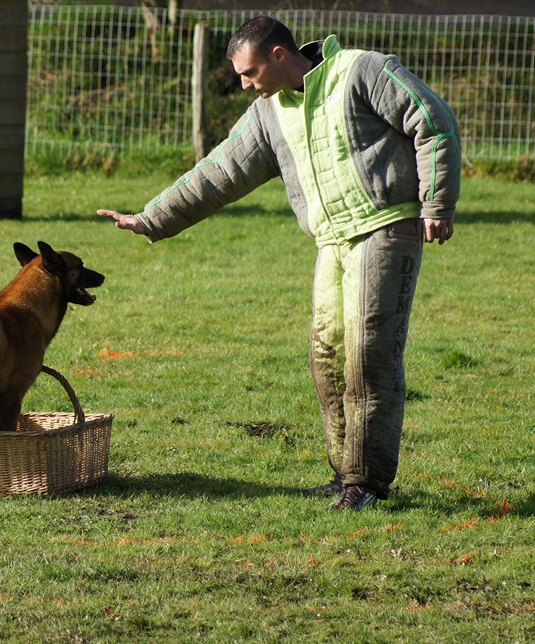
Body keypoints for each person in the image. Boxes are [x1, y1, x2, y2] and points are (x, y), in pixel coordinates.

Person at [98, 16, 460, 510]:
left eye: (248, 73)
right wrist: (151, 219)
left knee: (368, 356)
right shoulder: (268, 111)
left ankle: (368, 482)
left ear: (277, 55)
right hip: (331, 241)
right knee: (327, 357)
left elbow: (432, 119)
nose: (246, 85)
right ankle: (345, 475)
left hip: (386, 226)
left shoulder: (362, 71)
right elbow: (219, 172)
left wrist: (436, 203)